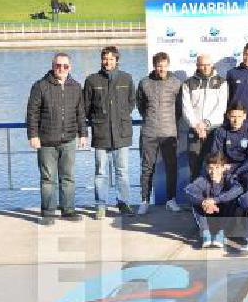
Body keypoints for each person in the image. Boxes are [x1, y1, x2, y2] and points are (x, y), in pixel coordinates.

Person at [26, 53, 88, 225]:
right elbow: (32, 114)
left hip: (68, 140)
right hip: (46, 141)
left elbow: (80, 113)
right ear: (52, 66)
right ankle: (47, 212)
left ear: (70, 68)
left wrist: (83, 134)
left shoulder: (75, 87)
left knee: (68, 177)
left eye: (65, 66)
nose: (61, 69)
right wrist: (33, 135)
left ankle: (68, 210)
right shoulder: (40, 86)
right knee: (48, 178)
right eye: (58, 66)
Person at [83, 46, 136, 219]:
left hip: (122, 133)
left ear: (117, 60)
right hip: (101, 134)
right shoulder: (92, 80)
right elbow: (86, 107)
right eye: (105, 58)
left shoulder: (126, 78)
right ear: (101, 60)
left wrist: (120, 117)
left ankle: (124, 203)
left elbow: (131, 103)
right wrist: (98, 120)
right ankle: (100, 206)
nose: (108, 62)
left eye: (111, 59)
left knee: (122, 172)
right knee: (101, 172)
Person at [136, 51, 182, 215]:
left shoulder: (176, 83)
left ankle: (171, 200)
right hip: (149, 132)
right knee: (147, 168)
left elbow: (179, 108)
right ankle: (144, 201)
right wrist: (150, 118)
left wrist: (170, 121)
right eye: (158, 66)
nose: (161, 69)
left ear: (168, 65)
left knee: (171, 167)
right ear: (154, 66)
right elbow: (141, 106)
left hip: (169, 132)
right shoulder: (144, 83)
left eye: (164, 66)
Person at [181, 53, 227, 181]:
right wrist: (197, 125)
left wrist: (206, 123)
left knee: (214, 167)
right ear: (197, 65)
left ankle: (214, 198)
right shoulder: (188, 83)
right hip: (195, 130)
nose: (205, 68)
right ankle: (195, 199)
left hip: (214, 130)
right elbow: (186, 107)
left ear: (212, 65)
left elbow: (221, 107)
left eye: (208, 65)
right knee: (194, 166)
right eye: (202, 65)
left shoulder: (222, 82)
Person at [184, 152, 244, 249]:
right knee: (196, 202)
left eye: (217, 168)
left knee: (234, 201)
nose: (213, 171)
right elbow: (188, 190)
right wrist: (203, 202)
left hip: (225, 218)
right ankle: (206, 234)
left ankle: (221, 234)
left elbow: (239, 189)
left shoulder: (228, 178)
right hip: (208, 217)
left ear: (223, 168)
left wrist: (215, 200)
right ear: (207, 169)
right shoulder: (203, 179)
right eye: (210, 168)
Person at [210, 103, 248, 189]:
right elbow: (217, 153)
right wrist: (221, 166)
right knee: (216, 175)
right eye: (233, 117)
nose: (236, 120)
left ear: (244, 116)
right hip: (227, 165)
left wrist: (238, 170)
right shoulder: (221, 131)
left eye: (239, 117)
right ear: (228, 116)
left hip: (245, 166)